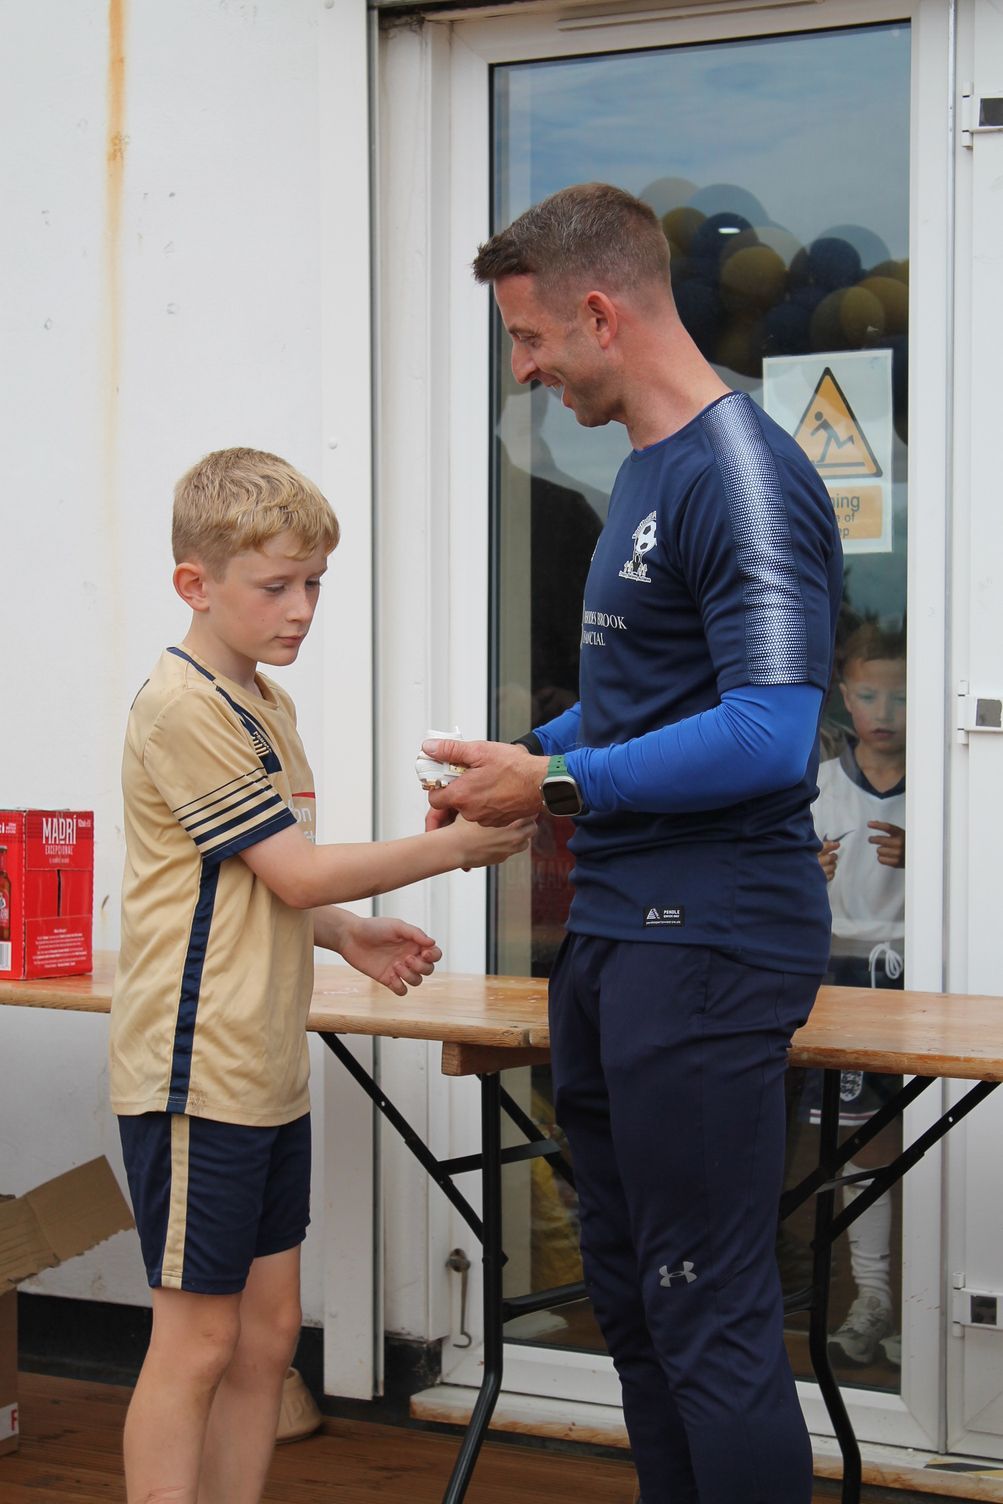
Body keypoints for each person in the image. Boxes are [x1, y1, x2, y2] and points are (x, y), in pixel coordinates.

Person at [422, 183, 843, 1504]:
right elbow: (636, 704)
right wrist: (516, 765)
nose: (522, 370)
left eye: (529, 337)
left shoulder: (742, 476)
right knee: (636, 1297)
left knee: (705, 1306)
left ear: (600, 315)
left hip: (707, 945)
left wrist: (553, 782)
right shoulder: (646, 472)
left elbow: (768, 734)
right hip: (615, 942)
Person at [109, 448, 534, 1504]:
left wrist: (344, 933)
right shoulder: (183, 706)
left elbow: (261, 883)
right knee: (197, 1344)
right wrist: (453, 847)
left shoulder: (267, 702)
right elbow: (293, 869)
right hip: (194, 1074)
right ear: (194, 584)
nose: (301, 609)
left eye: (315, 583)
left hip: (266, 1071)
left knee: (264, 1342)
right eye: (275, 586)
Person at [812, 620, 906, 1368]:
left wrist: (931, 861)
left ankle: (933, 1306)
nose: (884, 712)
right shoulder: (816, 787)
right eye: (869, 695)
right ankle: (872, 1298)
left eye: (900, 697)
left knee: (952, 1133)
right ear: (845, 696)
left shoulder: (954, 786)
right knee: (861, 1145)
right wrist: (799, 875)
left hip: (930, 975)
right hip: (843, 977)